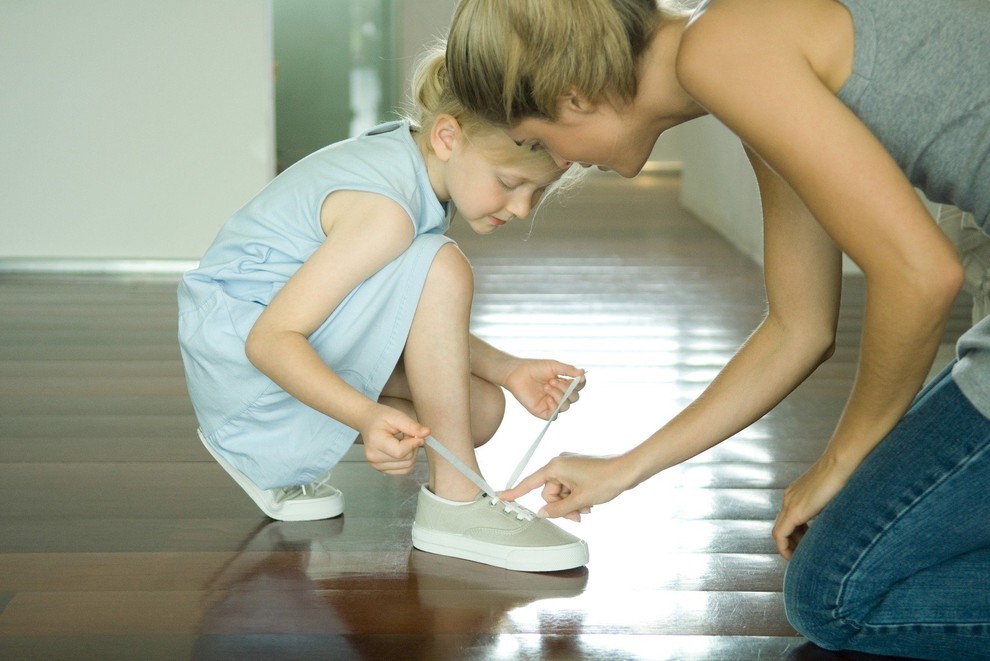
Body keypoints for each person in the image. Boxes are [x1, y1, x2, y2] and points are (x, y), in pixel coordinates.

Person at [445, 0, 990, 657]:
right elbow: (800, 325)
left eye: (536, 138)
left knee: (836, 596)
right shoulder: (735, 56)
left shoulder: (723, 48)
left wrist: (842, 460)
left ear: (574, 95)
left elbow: (920, 275)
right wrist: (624, 468)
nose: (555, 159)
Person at [176, 47, 589, 573]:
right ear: (447, 136)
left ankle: (278, 464)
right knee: (441, 264)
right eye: (510, 183)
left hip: (257, 367)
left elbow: (409, 314)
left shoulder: (410, 165)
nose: (522, 208)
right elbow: (269, 339)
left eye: (539, 191)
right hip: (246, 376)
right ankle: (456, 506)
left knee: (480, 409)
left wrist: (506, 369)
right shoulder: (387, 213)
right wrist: (366, 416)